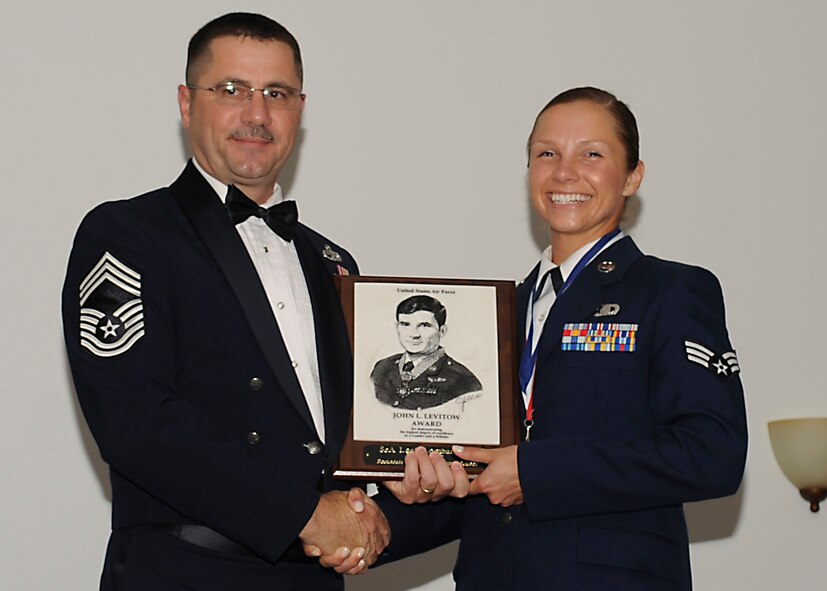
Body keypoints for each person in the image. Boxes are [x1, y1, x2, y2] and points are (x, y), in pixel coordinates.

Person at [336, 87, 748, 589]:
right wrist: (371, 525)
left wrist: (535, 472)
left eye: (592, 154)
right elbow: (484, 487)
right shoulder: (495, 315)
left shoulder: (671, 291)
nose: (565, 172)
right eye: (546, 154)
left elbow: (713, 454)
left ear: (633, 176)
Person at [62, 12, 388, 591]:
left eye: (277, 94)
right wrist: (302, 513)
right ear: (187, 104)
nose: (256, 114)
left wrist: (399, 479)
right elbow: (134, 420)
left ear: (300, 111)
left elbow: (342, 442)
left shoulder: (335, 264)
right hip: (184, 574)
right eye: (231, 90)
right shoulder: (127, 235)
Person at [371, 295, 482, 410]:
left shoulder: (463, 380)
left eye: (424, 325)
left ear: (442, 331)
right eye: (405, 324)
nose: (414, 335)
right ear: (397, 327)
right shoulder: (382, 368)